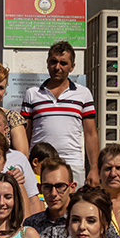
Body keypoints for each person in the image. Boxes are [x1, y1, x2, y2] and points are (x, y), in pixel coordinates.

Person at [24, 156, 120, 238]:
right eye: (47, 187)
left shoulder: (90, 221)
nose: (53, 193)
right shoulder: (31, 224)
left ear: (72, 187)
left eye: (60, 186)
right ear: (40, 188)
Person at [22, 41, 100, 185]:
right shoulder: (32, 94)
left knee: (73, 200)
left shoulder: (83, 94)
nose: (57, 67)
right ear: (47, 63)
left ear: (72, 66)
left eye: (63, 63)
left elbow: (90, 134)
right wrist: (24, 164)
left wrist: (94, 168)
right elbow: (25, 134)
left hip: (72, 164)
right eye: (53, 62)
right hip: (39, 165)